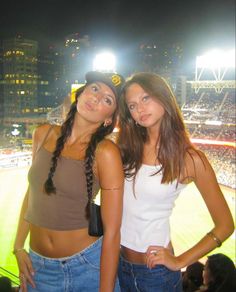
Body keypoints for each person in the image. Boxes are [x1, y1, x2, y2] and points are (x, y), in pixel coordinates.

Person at [117, 72, 234, 291]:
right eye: (132, 105)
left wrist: (180, 261)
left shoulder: (191, 159)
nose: (139, 109)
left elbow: (226, 225)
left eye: (145, 98)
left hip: (156, 275)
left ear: (163, 97)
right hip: (117, 264)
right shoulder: (125, 148)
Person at [13, 71, 125, 292]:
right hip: (37, 269)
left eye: (107, 99)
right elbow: (33, 194)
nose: (96, 97)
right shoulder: (42, 134)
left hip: (85, 269)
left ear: (109, 118)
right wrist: (18, 246)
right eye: (94, 89)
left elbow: (112, 231)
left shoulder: (106, 153)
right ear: (81, 93)